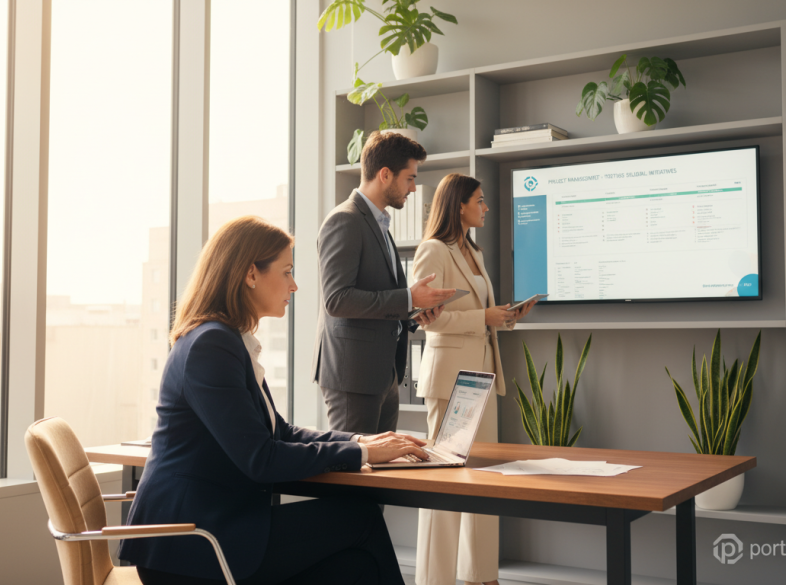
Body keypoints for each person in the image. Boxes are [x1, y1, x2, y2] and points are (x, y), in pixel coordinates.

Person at [120, 216, 429, 585]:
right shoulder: (211, 346)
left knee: (356, 567)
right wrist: (361, 456)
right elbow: (261, 459)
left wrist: (358, 441)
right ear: (251, 274)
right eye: (286, 272)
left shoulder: (227, 340)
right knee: (360, 519)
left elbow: (279, 431)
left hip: (216, 526)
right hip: (191, 545)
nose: (294, 285)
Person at [410, 174, 536, 585]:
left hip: (483, 375)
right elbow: (428, 320)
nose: (485, 208)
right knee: (445, 480)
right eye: (479, 201)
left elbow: (478, 314)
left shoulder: (474, 252)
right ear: (458, 204)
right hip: (450, 379)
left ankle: (481, 575)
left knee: (481, 478)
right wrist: (482, 317)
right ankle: (435, 578)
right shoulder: (433, 250)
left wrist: (504, 316)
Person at [314, 131, 455, 435]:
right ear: (385, 174)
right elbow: (337, 300)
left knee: (380, 473)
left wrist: (413, 314)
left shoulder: (380, 225)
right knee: (352, 474)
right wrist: (407, 299)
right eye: (409, 178)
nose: (414, 188)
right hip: (354, 377)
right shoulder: (344, 220)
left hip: (384, 375)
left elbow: (379, 297)